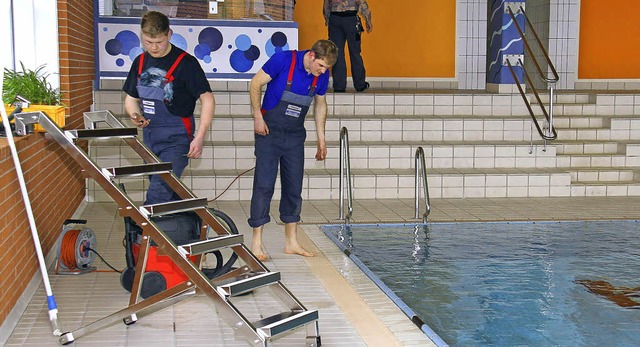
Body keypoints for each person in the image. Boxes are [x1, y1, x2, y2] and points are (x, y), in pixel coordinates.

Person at [248, 39, 338, 261]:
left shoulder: (321, 74)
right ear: (311, 56)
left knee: (293, 187)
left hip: (294, 136)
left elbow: (320, 104)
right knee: (264, 185)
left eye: (326, 69)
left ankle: (291, 242)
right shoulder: (284, 60)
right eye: (321, 67)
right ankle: (257, 243)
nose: (322, 72)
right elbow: (255, 84)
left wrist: (322, 139)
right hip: (268, 131)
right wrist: (257, 117)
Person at [123, 11, 215, 205]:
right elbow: (131, 98)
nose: (154, 48)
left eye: (159, 42)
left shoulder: (186, 64)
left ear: (169, 34)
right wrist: (135, 114)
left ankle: (144, 233)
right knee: (167, 192)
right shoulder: (139, 63)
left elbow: (207, 100)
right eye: (148, 42)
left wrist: (200, 137)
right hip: (150, 138)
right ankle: (184, 229)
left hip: (177, 139)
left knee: (158, 193)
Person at [323, 0, 373, 93]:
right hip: (351, 20)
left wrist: (327, 18)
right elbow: (361, 3)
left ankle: (339, 86)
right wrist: (368, 19)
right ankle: (360, 85)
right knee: (355, 53)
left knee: (337, 53)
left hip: (335, 20)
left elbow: (326, 5)